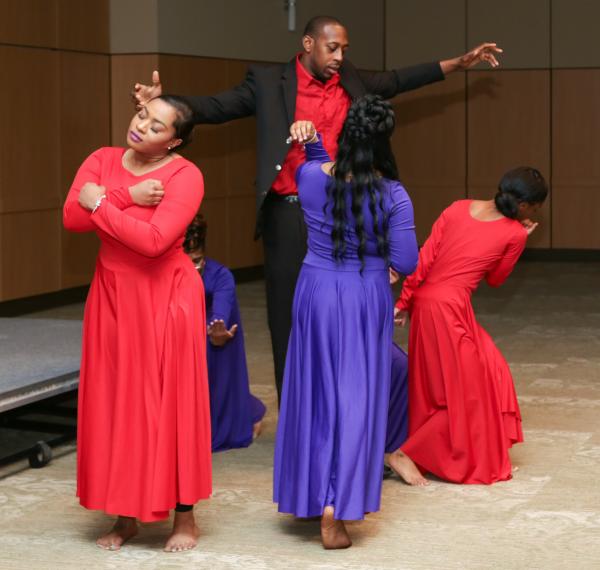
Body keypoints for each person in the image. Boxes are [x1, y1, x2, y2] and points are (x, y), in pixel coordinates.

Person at [133, 15, 503, 404]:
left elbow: (397, 80)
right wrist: (160, 103)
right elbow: (214, 107)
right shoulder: (267, 83)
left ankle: (342, 402)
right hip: (289, 211)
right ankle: (295, 405)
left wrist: (457, 64)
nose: (340, 56)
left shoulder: (351, 81)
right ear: (308, 45)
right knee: (288, 315)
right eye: (332, 48)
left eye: (345, 49)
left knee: (343, 312)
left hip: (344, 212)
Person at [63, 95, 211, 552]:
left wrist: (101, 204)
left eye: (156, 126)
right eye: (143, 116)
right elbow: (72, 217)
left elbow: (152, 241)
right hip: (112, 295)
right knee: (118, 402)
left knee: (170, 402)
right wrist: (124, 196)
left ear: (175, 141)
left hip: (165, 296)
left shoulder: (184, 175)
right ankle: (126, 515)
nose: (141, 126)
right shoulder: (101, 158)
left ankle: (184, 517)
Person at [273, 96, 419, 549]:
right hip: (363, 294)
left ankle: (313, 494)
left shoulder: (309, 177)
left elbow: (322, 175)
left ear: (346, 134)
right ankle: (338, 504)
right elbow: (406, 260)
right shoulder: (393, 194)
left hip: (315, 290)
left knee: (315, 394)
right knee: (355, 397)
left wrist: (315, 146)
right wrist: (385, 266)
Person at [387, 167, 549, 486]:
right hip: (448, 311)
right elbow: (496, 279)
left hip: (430, 306)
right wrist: (519, 240)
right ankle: (405, 453)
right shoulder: (514, 233)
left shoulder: (458, 207)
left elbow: (426, 257)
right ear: (528, 206)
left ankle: (450, 450)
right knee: (468, 389)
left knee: (487, 371)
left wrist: (406, 301)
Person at [183, 214, 266, 451]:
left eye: (198, 260)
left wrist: (216, 328)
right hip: (182, 334)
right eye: (187, 261)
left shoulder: (220, 275)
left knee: (209, 347)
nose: (194, 268)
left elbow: (221, 311)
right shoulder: (168, 273)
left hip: (209, 336)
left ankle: (247, 412)